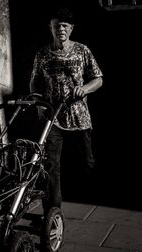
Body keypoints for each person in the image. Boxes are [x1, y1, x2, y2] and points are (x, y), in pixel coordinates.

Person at [29, 6, 103, 209]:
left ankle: (93, 195)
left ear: (71, 29)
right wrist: (38, 103)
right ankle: (53, 210)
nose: (60, 29)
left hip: (79, 117)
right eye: (56, 25)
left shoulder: (82, 50)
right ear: (50, 28)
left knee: (86, 162)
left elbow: (98, 79)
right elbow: (34, 83)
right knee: (51, 165)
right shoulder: (42, 54)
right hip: (53, 117)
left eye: (64, 25)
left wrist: (85, 89)